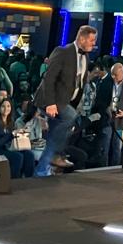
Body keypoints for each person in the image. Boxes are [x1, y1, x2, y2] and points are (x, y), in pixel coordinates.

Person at [33, 24, 97, 178]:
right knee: (70, 117)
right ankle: (57, 155)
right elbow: (49, 78)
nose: (94, 43)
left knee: (55, 136)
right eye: (91, 40)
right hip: (50, 100)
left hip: (65, 103)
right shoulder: (62, 52)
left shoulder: (85, 57)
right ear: (82, 39)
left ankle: (41, 170)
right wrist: (50, 103)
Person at [0, 97, 36, 179]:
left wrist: (20, 133)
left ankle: (28, 180)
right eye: (3, 106)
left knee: (29, 154)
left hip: (8, 148)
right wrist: (12, 134)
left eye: (8, 106)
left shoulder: (11, 121)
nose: (6, 108)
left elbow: (12, 138)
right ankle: (14, 181)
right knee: (17, 157)